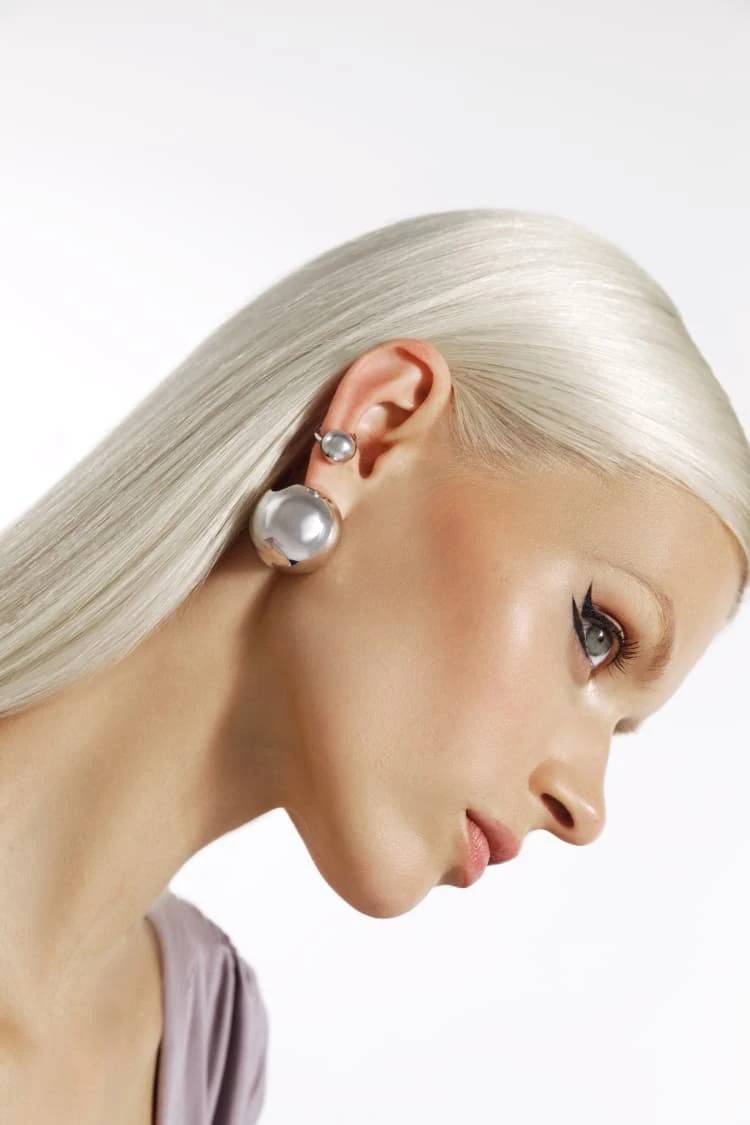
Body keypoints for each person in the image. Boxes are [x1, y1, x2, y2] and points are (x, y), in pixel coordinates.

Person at [0, 209, 747, 1123]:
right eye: (598, 634)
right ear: (376, 431)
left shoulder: (208, 1044)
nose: (587, 809)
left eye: (623, 728)